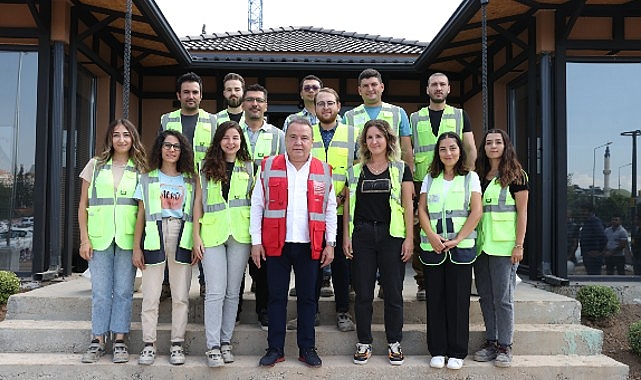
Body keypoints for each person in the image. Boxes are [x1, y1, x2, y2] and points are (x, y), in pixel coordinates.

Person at [250, 117, 337, 368]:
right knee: (276, 297)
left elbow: (330, 209)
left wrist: (330, 242)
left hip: (310, 245)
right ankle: (275, 348)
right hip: (276, 244)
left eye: (304, 138)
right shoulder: (268, 166)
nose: (298, 142)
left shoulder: (323, 169)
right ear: (285, 139)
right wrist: (257, 241)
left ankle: (307, 348)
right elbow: (258, 205)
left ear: (312, 142)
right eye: (293, 137)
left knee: (309, 299)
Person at [343, 119, 414, 366]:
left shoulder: (401, 168)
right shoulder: (354, 171)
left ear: (388, 140)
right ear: (364, 142)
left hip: (391, 237)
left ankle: (394, 342)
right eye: (370, 137)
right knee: (363, 293)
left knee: (393, 292)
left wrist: (409, 239)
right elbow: (348, 207)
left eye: (379, 137)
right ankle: (364, 341)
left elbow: (407, 205)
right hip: (361, 235)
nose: (374, 141)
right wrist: (346, 237)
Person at [287, 87, 358, 332]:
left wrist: (343, 194)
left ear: (339, 106)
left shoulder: (353, 134)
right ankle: (311, 312)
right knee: (312, 265)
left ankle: (343, 312)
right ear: (314, 108)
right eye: (320, 104)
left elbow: (358, 169)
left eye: (330, 103)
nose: (325, 107)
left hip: (342, 210)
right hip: (312, 213)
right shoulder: (306, 134)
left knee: (341, 265)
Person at [78, 119, 147, 364]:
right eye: (116, 135)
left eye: (126, 135)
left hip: (127, 239)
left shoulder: (140, 168)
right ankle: (97, 339)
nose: (121, 139)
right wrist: (84, 239)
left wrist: (138, 245)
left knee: (124, 291)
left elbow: (142, 211)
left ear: (133, 139)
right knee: (100, 292)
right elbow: (83, 205)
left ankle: (119, 339)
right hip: (99, 239)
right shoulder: (94, 166)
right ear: (110, 138)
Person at [132, 130, 198, 366]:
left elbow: (196, 214)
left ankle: (177, 344)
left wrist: (195, 242)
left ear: (183, 152)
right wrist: (136, 248)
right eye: (167, 145)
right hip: (153, 235)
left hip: (182, 235)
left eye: (177, 147)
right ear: (159, 148)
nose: (172, 150)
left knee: (181, 296)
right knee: (151, 295)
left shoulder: (191, 179)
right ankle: (148, 345)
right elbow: (140, 214)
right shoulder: (148, 178)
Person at [409, 72, 477, 300]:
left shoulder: (460, 115)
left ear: (449, 89)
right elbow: (409, 151)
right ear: (427, 89)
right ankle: (423, 281)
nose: (438, 88)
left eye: (442, 85)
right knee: (422, 233)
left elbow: (469, 147)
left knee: (453, 224)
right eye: (434, 85)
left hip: (453, 179)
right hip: (423, 181)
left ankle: (450, 274)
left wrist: (464, 176)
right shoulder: (415, 118)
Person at [418, 132, 482, 370]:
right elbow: (422, 210)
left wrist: (459, 238)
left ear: (460, 151)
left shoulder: (470, 178)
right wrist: (433, 237)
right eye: (443, 149)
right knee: (435, 299)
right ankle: (437, 349)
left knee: (458, 301)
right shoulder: (430, 178)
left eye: (453, 148)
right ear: (438, 153)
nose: (448, 153)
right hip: (433, 248)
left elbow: (476, 212)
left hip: (460, 248)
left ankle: (456, 351)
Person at [192, 121, 254, 367]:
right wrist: (195, 236)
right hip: (212, 234)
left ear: (241, 141)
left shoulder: (249, 167)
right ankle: (213, 347)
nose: (231, 142)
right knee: (215, 292)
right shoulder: (205, 167)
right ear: (218, 140)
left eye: (236, 138)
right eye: (226, 138)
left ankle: (226, 342)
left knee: (232, 292)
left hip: (240, 234)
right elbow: (198, 202)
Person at [471, 129, 528, 368]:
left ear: (506, 146)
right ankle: (492, 341)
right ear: (483, 147)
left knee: (503, 299)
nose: (493, 146)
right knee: (485, 296)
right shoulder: (479, 175)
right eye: (489, 143)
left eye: (498, 142)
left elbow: (522, 213)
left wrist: (519, 245)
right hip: (482, 247)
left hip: (505, 249)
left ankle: (506, 345)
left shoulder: (516, 175)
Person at [160, 72, 216, 296]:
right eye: (186, 92)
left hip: (202, 184)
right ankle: (166, 283)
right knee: (168, 231)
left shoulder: (213, 121)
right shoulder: (167, 119)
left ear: (201, 95)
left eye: (195, 92)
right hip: (174, 182)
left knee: (201, 229)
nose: (190, 96)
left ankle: (203, 282)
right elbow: (160, 149)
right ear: (178, 95)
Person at [283, 75, 333, 298]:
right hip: (300, 182)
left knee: (323, 240)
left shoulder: (334, 121)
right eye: (307, 88)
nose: (312, 91)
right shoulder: (292, 120)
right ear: (301, 93)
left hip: (326, 187)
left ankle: (325, 280)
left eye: (316, 87)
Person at [242, 83, 286, 330]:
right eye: (250, 100)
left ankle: (264, 310)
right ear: (244, 104)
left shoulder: (278, 135)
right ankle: (235, 309)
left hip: (268, 207)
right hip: (236, 205)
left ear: (266, 105)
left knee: (264, 263)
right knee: (239, 261)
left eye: (259, 100)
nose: (255, 104)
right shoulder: (231, 131)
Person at [343, 68, 413, 167]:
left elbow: (407, 149)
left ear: (382, 87)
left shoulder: (398, 113)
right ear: (359, 90)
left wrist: (408, 177)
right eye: (365, 86)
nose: (370, 89)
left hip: (393, 173)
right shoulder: (349, 116)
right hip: (362, 174)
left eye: (374, 84)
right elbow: (345, 151)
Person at [579, 203, 606, 275]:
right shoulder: (587, 222)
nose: (582, 213)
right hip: (588, 254)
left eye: (584, 211)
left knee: (594, 277)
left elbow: (602, 237)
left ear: (591, 212)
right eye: (582, 211)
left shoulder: (594, 221)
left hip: (593, 256)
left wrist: (599, 251)